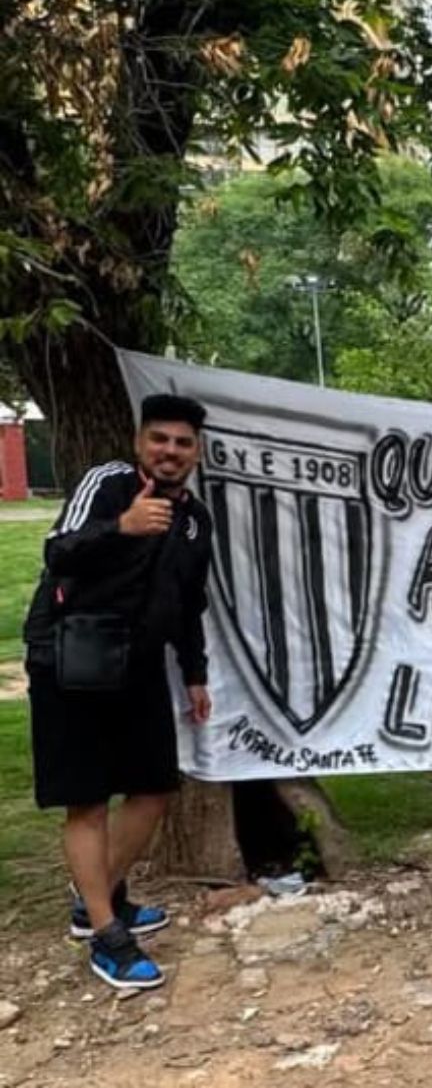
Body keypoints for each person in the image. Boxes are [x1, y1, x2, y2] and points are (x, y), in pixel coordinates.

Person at [23, 393, 214, 991]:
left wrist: (194, 672)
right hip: (71, 658)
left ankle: (94, 898)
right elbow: (59, 552)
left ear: (196, 452)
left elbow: (189, 606)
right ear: (139, 443)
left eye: (183, 443)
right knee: (86, 799)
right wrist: (123, 528)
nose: (170, 451)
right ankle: (108, 935)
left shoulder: (194, 519)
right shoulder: (107, 484)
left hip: (140, 667)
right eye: (160, 439)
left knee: (154, 789)